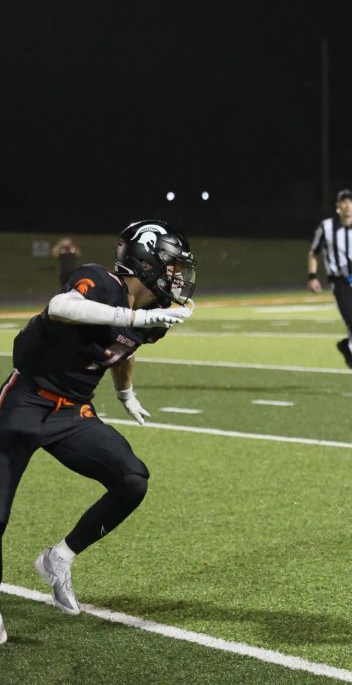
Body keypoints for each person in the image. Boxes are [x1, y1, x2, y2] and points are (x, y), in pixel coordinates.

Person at [0, 220, 196, 644]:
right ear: (145, 261)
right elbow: (61, 307)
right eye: (172, 265)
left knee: (131, 479)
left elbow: (125, 347)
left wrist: (126, 393)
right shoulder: (101, 282)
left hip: (72, 412)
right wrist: (133, 314)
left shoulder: (150, 319)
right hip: (26, 401)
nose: (178, 277)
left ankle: (59, 558)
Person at [308, 189, 352, 392]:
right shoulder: (327, 227)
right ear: (337, 206)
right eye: (343, 202)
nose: (347, 206)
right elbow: (313, 252)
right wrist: (312, 277)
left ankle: (345, 346)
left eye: (351, 202)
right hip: (340, 284)